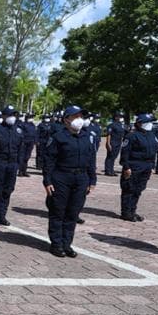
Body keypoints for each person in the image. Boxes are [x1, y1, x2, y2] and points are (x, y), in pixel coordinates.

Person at [44, 105, 97, 258]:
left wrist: (92, 179)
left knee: (73, 212)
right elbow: (49, 161)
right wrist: (47, 181)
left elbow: (91, 159)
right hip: (61, 177)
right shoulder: (58, 137)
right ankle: (56, 244)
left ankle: (67, 244)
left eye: (81, 116)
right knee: (58, 212)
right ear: (66, 120)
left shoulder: (87, 136)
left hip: (81, 178)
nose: (79, 120)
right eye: (75, 117)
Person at [119, 114, 158, 222]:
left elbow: (154, 151)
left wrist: (152, 166)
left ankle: (132, 211)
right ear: (139, 123)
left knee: (138, 189)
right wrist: (126, 167)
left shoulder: (152, 135)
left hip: (146, 166)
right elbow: (125, 153)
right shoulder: (131, 136)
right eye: (148, 122)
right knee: (129, 189)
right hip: (134, 165)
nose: (150, 124)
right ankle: (126, 212)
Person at [0, 105, 24, 226]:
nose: (12, 117)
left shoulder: (18, 130)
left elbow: (21, 149)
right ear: (3, 116)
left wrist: (19, 165)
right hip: (0, 163)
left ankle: (2, 215)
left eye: (14, 115)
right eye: (9, 115)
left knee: (8, 190)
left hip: (12, 164)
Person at [103, 112, 126, 176]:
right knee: (110, 157)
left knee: (114, 157)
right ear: (116, 117)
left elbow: (122, 134)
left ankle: (111, 170)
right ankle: (108, 171)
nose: (120, 118)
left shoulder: (121, 125)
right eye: (119, 117)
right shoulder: (111, 125)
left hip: (118, 143)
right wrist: (108, 143)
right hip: (112, 142)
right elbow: (109, 135)